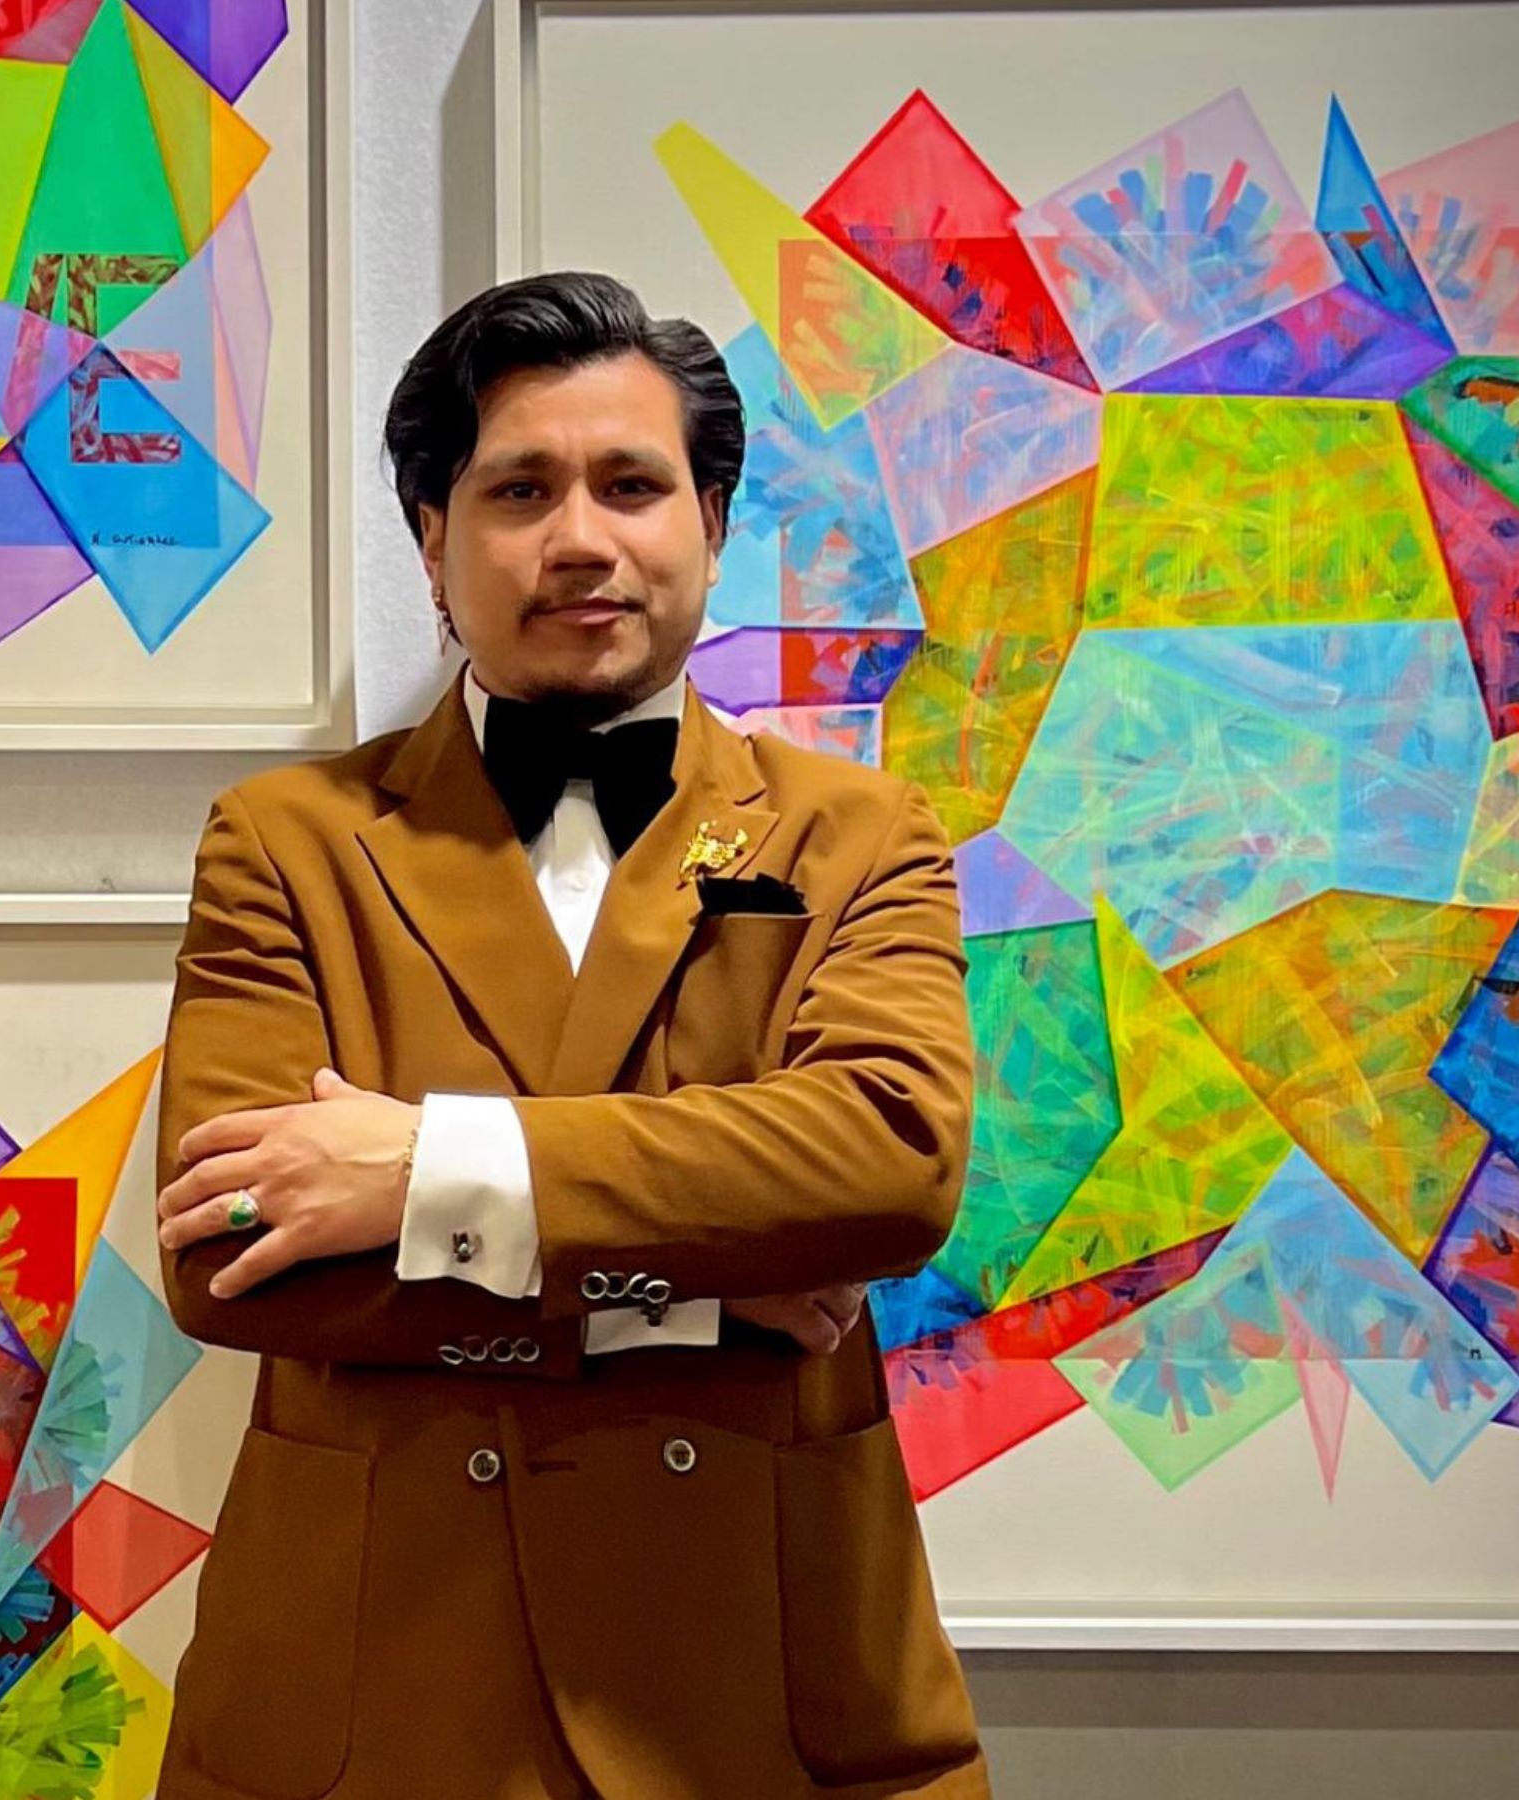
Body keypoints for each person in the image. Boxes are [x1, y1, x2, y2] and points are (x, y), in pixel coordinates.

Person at [152, 271, 987, 1799]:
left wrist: (423, 1171)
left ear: (711, 525)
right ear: (432, 538)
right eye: (521, 489)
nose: (582, 538)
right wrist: (714, 1280)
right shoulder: (287, 841)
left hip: (760, 1679)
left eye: (632, 485)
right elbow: (233, 1256)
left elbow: (888, 1165)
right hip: (381, 1683)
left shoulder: (862, 832)